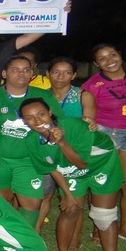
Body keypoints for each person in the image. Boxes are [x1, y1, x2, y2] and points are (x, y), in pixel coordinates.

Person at [20, 98, 126, 251]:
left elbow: (81, 162)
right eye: (29, 118)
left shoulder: (74, 126)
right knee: (71, 209)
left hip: (102, 164)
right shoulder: (31, 141)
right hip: (71, 170)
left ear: (50, 112)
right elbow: (52, 168)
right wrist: (68, 195)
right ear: (24, 121)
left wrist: (61, 142)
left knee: (104, 214)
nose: (37, 121)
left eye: (41, 114)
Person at [81, 43, 126, 249]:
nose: (109, 60)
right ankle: (99, 225)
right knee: (102, 183)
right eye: (102, 58)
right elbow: (88, 113)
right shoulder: (92, 85)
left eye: (112, 54)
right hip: (105, 133)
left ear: (120, 55)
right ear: (96, 64)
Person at [0, 55, 65, 228]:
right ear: (4, 73)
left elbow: (59, 124)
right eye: (15, 69)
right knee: (0, 203)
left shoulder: (43, 96)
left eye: (26, 70)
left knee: (31, 205)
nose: (21, 74)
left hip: (30, 160)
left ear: (32, 74)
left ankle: (23, 243)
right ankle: (0, 242)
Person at [35, 56, 97, 235]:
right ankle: (37, 231)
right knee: (45, 194)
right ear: (47, 74)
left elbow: (89, 122)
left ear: (74, 75)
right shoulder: (41, 97)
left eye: (67, 72)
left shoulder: (82, 95)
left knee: (76, 195)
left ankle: (75, 235)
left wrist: (90, 122)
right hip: (48, 150)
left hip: (73, 152)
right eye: (55, 72)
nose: (60, 77)